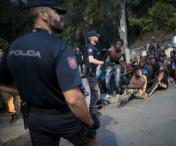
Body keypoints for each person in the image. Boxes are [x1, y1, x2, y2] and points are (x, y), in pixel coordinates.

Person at [0, 1, 100, 146]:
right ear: (43, 14)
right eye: (58, 12)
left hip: (35, 119)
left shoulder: (14, 46)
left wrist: (25, 90)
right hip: (65, 116)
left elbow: (2, 82)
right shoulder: (59, 47)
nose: (62, 17)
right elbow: (73, 99)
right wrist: (90, 122)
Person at [85, 30, 105, 116]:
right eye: (96, 36)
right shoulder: (89, 47)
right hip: (90, 73)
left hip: (92, 72)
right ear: (91, 38)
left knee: (97, 91)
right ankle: (91, 110)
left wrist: (101, 53)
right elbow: (91, 59)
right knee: (95, 92)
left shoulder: (93, 47)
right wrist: (102, 62)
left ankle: (94, 106)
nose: (97, 37)